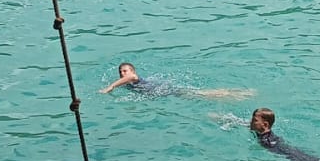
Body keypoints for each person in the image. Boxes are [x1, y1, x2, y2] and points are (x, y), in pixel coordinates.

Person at [100, 62, 251, 99]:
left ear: (133, 71)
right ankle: (237, 93)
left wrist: (110, 87)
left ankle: (236, 94)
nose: (122, 74)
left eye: (125, 71)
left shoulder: (133, 78)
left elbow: (131, 78)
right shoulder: (126, 82)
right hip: (162, 91)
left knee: (199, 95)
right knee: (197, 94)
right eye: (120, 72)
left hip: (165, 90)